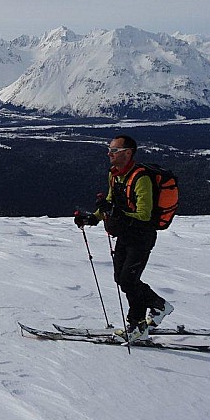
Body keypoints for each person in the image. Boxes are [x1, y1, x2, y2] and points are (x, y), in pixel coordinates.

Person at [74, 135, 173, 342]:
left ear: (128, 153)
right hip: (124, 235)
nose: (109, 154)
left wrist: (115, 213)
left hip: (141, 236)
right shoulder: (116, 175)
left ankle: (147, 316)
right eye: (109, 150)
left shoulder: (141, 178)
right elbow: (110, 202)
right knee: (123, 279)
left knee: (128, 279)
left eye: (114, 151)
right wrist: (93, 218)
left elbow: (144, 215)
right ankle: (149, 315)